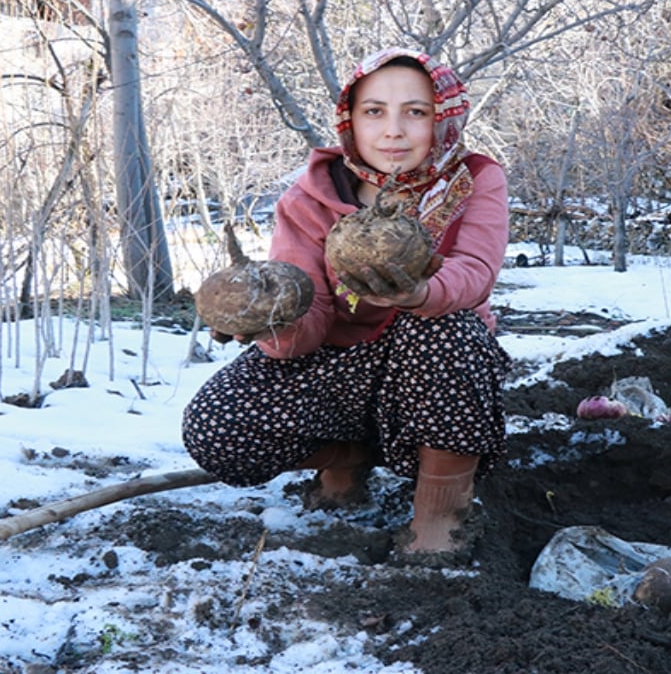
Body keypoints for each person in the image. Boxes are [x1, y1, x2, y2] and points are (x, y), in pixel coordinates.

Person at [182, 47, 511, 566]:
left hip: (435, 368)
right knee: (218, 426)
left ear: (444, 117)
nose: (393, 130)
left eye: (417, 112)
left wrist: (419, 295)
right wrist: (272, 321)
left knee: (444, 326)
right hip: (338, 366)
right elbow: (308, 316)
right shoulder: (308, 199)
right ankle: (351, 458)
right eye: (374, 111)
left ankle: (441, 517)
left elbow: (474, 271)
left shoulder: (475, 179)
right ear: (350, 121)